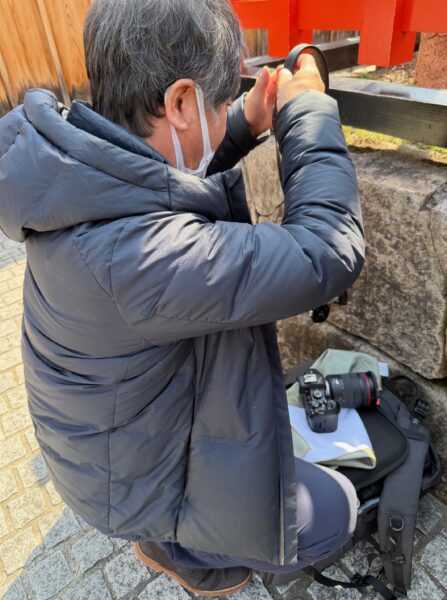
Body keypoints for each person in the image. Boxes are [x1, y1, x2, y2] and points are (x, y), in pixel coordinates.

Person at [0, 0, 364, 596]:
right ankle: (183, 553)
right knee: (335, 510)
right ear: (180, 103)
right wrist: (309, 110)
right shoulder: (138, 255)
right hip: (131, 489)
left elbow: (161, 181)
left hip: (105, 452)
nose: (224, 112)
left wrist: (242, 123)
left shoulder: (74, 169)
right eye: (220, 103)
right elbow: (326, 252)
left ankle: (168, 532)